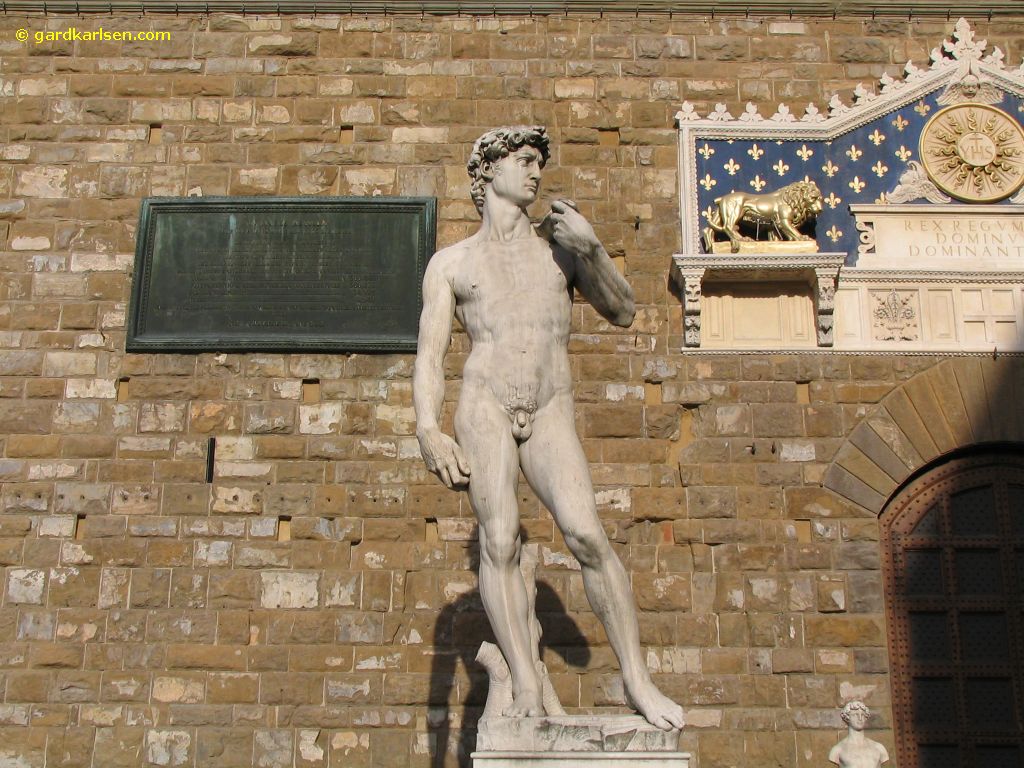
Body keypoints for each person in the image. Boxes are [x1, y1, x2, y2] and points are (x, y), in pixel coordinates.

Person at [413, 125, 684, 731]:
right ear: (488, 171)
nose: (536, 173)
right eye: (524, 160)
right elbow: (430, 355)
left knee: (587, 535)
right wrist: (428, 429)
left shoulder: (560, 250)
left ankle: (638, 682)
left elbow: (623, 311)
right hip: (483, 405)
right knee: (500, 541)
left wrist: (592, 250)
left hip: (549, 406)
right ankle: (528, 685)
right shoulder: (451, 263)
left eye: (539, 162)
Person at [829, 701, 889, 768]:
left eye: (862, 715)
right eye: (855, 715)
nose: (860, 718)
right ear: (847, 717)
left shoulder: (879, 748)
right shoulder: (838, 750)